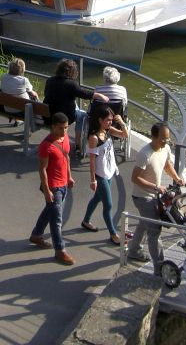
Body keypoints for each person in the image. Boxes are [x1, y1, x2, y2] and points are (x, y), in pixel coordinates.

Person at [126, 122, 185, 272]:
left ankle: (133, 251)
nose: (166, 142)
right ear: (153, 137)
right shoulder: (144, 154)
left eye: (168, 139)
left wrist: (177, 178)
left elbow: (166, 165)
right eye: (163, 139)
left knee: (145, 223)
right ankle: (159, 267)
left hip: (154, 195)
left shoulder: (165, 148)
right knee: (154, 230)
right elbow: (135, 178)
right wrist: (156, 187)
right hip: (142, 197)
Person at [29, 112, 76, 266]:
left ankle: (36, 235)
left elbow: (67, 157)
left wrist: (69, 176)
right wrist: (48, 190)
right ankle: (60, 251)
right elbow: (42, 169)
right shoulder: (46, 146)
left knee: (50, 211)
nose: (64, 131)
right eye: (61, 128)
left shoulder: (65, 138)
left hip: (63, 184)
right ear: (53, 127)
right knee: (57, 220)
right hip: (53, 187)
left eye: (66, 128)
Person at [81, 104, 127, 245]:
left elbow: (124, 135)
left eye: (111, 120)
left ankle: (86, 220)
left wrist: (122, 123)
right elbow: (92, 161)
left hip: (109, 171)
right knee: (108, 204)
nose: (110, 122)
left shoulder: (107, 131)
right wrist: (93, 180)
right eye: (108, 120)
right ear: (100, 120)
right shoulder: (94, 138)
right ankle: (113, 234)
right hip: (100, 175)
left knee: (97, 198)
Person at [43, 59, 107, 143]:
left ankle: (54, 136)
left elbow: (45, 94)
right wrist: (99, 95)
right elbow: (84, 94)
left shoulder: (50, 80)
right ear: (72, 72)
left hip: (48, 116)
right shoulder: (71, 84)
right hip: (66, 117)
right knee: (83, 116)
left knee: (69, 102)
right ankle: (77, 143)